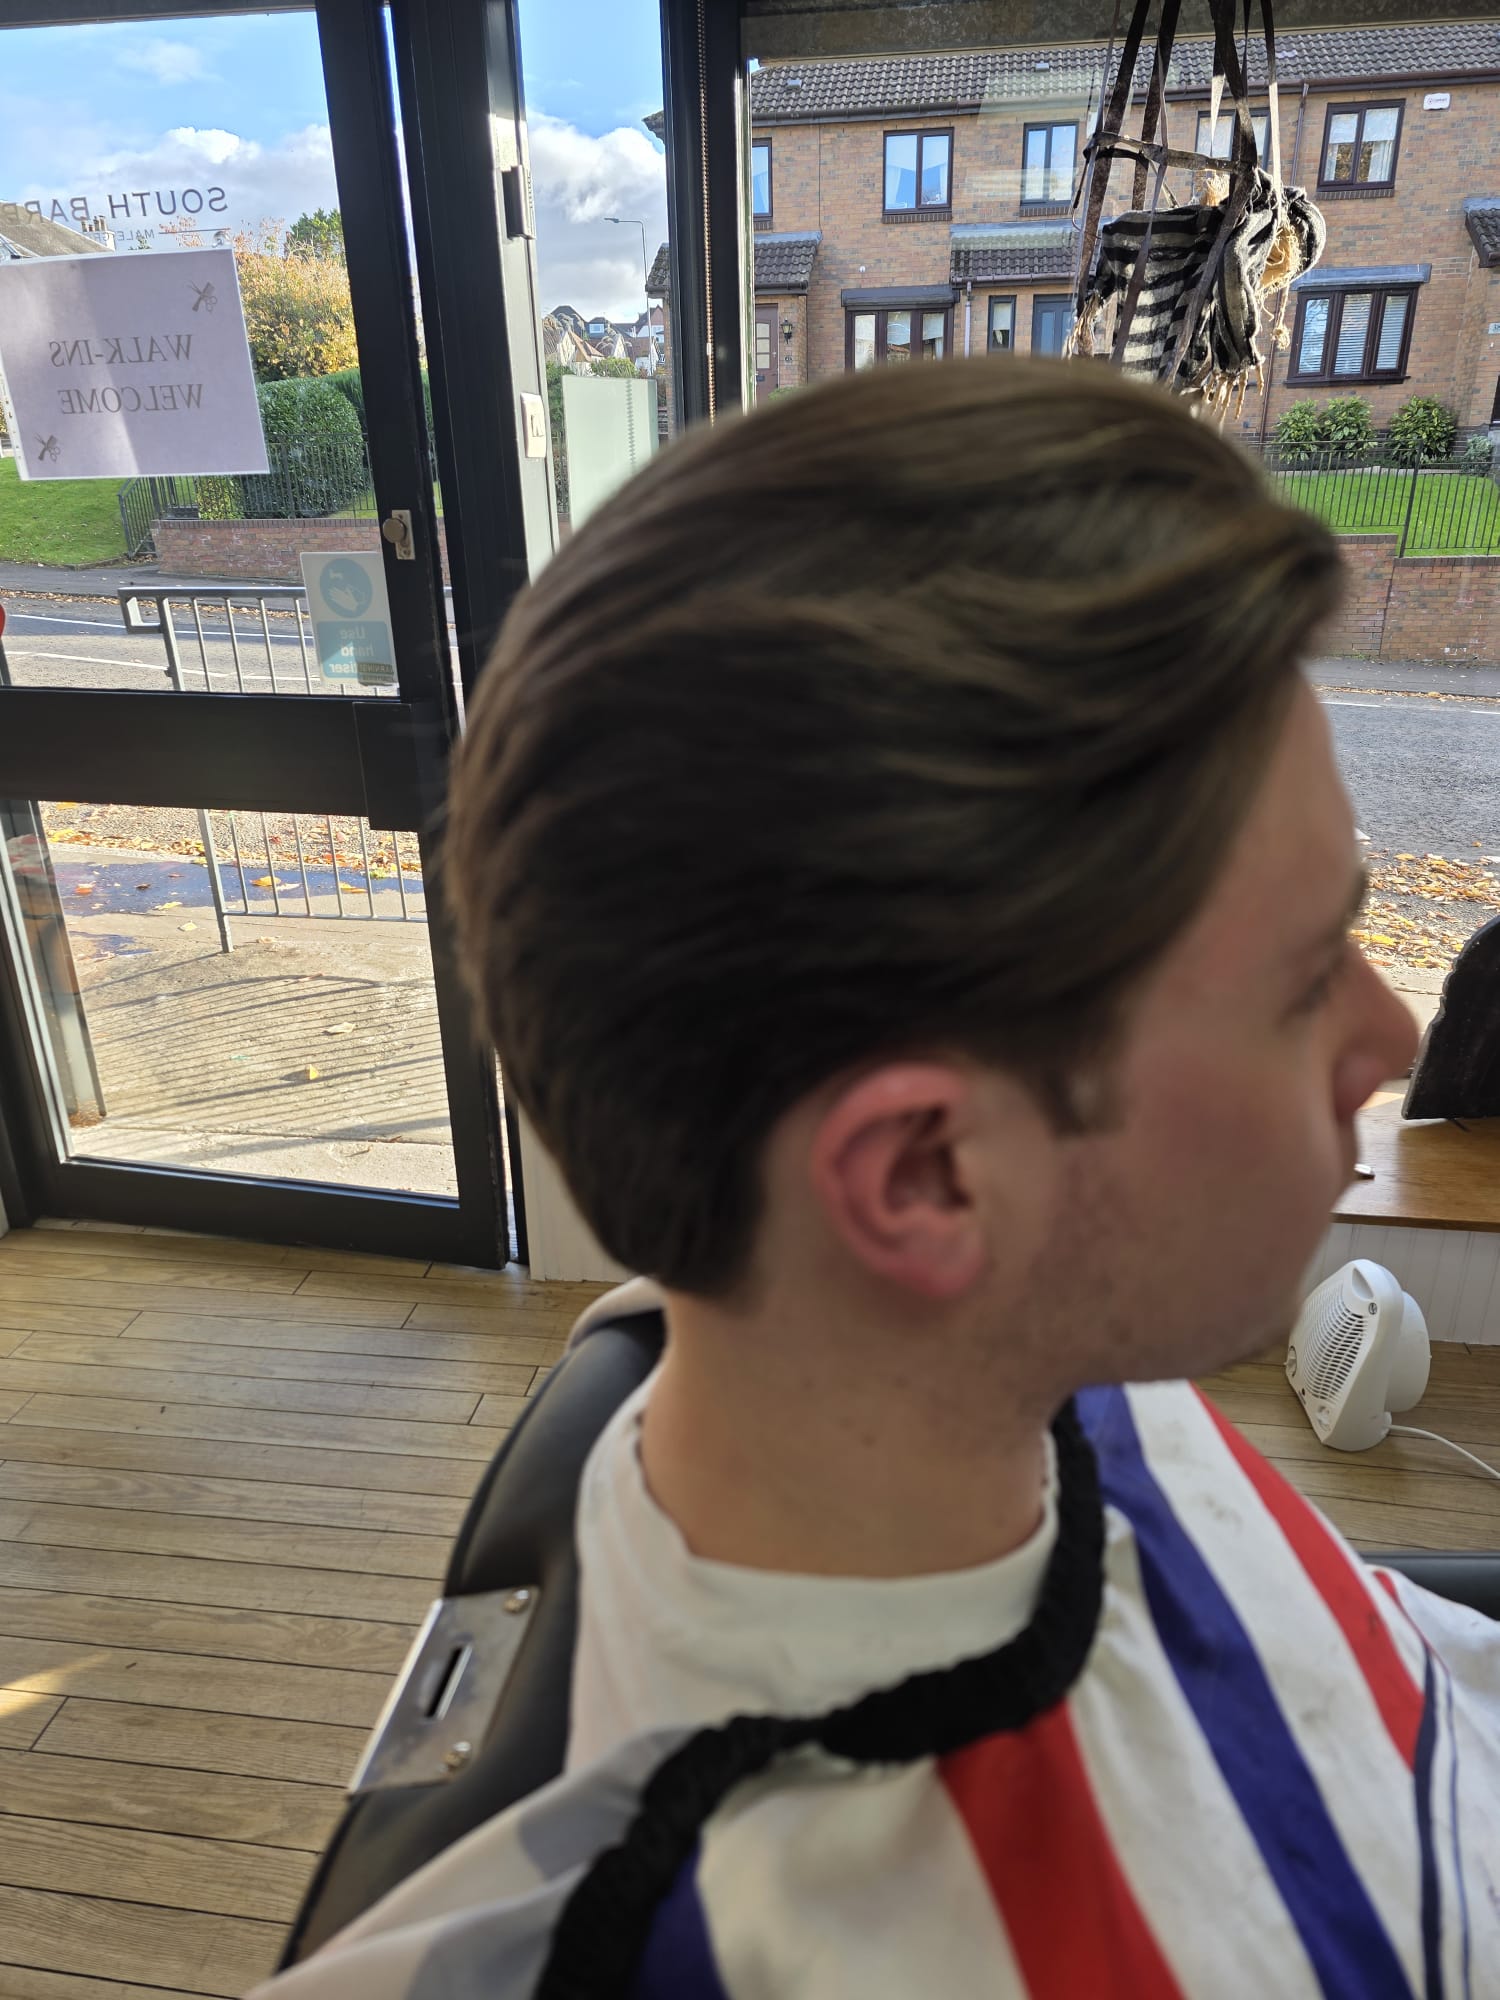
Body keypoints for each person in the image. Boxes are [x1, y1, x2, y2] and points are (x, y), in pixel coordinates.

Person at [252, 357, 1500, 1999]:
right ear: (925, 1178)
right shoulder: (703, 1943)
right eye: (1303, 976)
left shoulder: (1054, 1366)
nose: (1392, 1035)